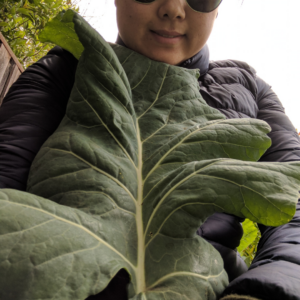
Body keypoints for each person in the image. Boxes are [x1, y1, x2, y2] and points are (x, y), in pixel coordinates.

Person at [1, 0, 300, 299]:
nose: (173, 9)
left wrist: (265, 288)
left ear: (217, 9)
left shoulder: (250, 91)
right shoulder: (66, 69)